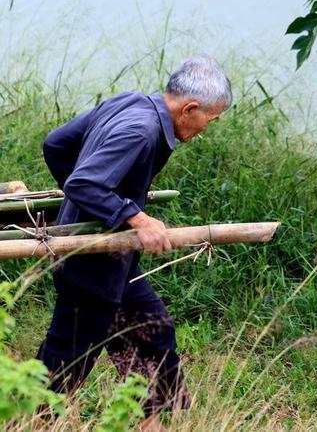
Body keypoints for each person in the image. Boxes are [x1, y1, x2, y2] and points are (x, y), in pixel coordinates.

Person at [37, 56, 232, 430]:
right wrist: (135, 216)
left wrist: (100, 205)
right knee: (65, 364)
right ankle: (30, 422)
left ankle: (150, 423)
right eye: (211, 118)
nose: (208, 127)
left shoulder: (129, 101)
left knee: (154, 333)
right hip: (88, 260)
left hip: (113, 256)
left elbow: (56, 145)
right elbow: (83, 183)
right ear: (189, 108)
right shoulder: (141, 131)